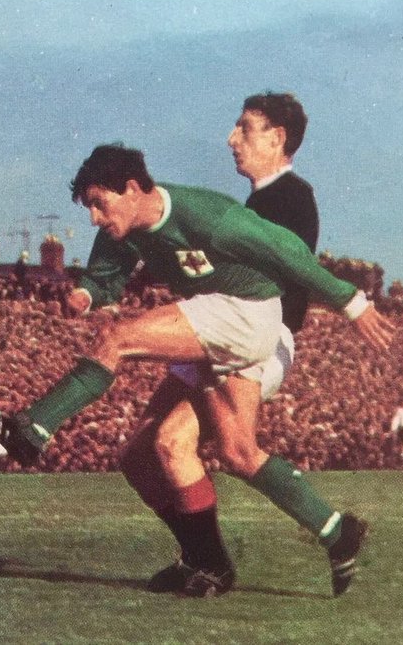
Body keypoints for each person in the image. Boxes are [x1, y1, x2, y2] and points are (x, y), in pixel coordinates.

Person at [0, 144, 395, 597]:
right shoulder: (125, 225)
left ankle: (32, 428)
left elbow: (285, 249)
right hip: (211, 318)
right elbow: (104, 275)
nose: (94, 216)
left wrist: (351, 302)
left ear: (132, 188)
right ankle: (329, 533)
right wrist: (87, 294)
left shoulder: (206, 215)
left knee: (121, 342)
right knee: (180, 454)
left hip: (248, 312)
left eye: (99, 203)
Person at [118, 93, 328, 595]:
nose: (232, 139)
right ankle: (198, 554)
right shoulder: (254, 203)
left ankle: (215, 562)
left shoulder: (291, 198)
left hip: (252, 339)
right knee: (137, 457)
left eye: (245, 128)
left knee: (180, 443)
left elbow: (266, 287)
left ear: (277, 138)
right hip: (220, 329)